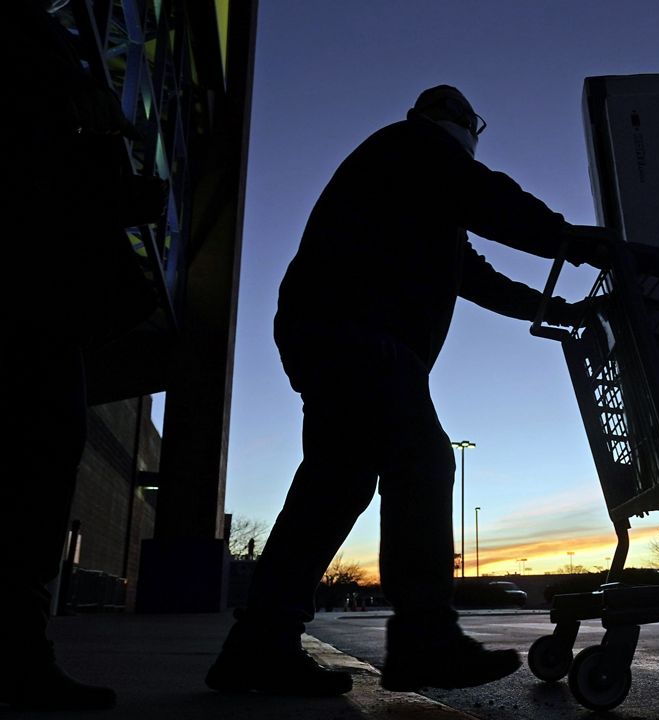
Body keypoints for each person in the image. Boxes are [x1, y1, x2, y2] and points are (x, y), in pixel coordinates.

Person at [205, 85, 610, 696]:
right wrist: (571, 241)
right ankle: (425, 639)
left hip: (331, 333)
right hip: (358, 333)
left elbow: (474, 275)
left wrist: (554, 307)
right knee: (420, 460)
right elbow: (489, 198)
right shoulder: (412, 148)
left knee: (334, 487)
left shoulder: (414, 185)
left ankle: (258, 646)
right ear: (461, 127)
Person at [1, 0, 166, 711]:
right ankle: (17, 658)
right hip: (33, 303)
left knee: (41, 469)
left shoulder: (45, 67)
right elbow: (56, 192)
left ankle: (19, 655)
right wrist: (116, 180)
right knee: (36, 468)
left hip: (44, 302)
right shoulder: (40, 80)